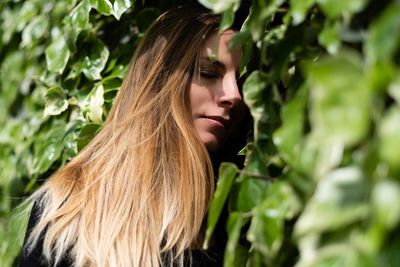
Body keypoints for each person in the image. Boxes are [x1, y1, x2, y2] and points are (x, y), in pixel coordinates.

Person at [19, 4, 249, 267]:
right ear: (160, 82)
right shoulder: (66, 208)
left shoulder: (236, 207)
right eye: (209, 72)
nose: (234, 95)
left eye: (240, 81)